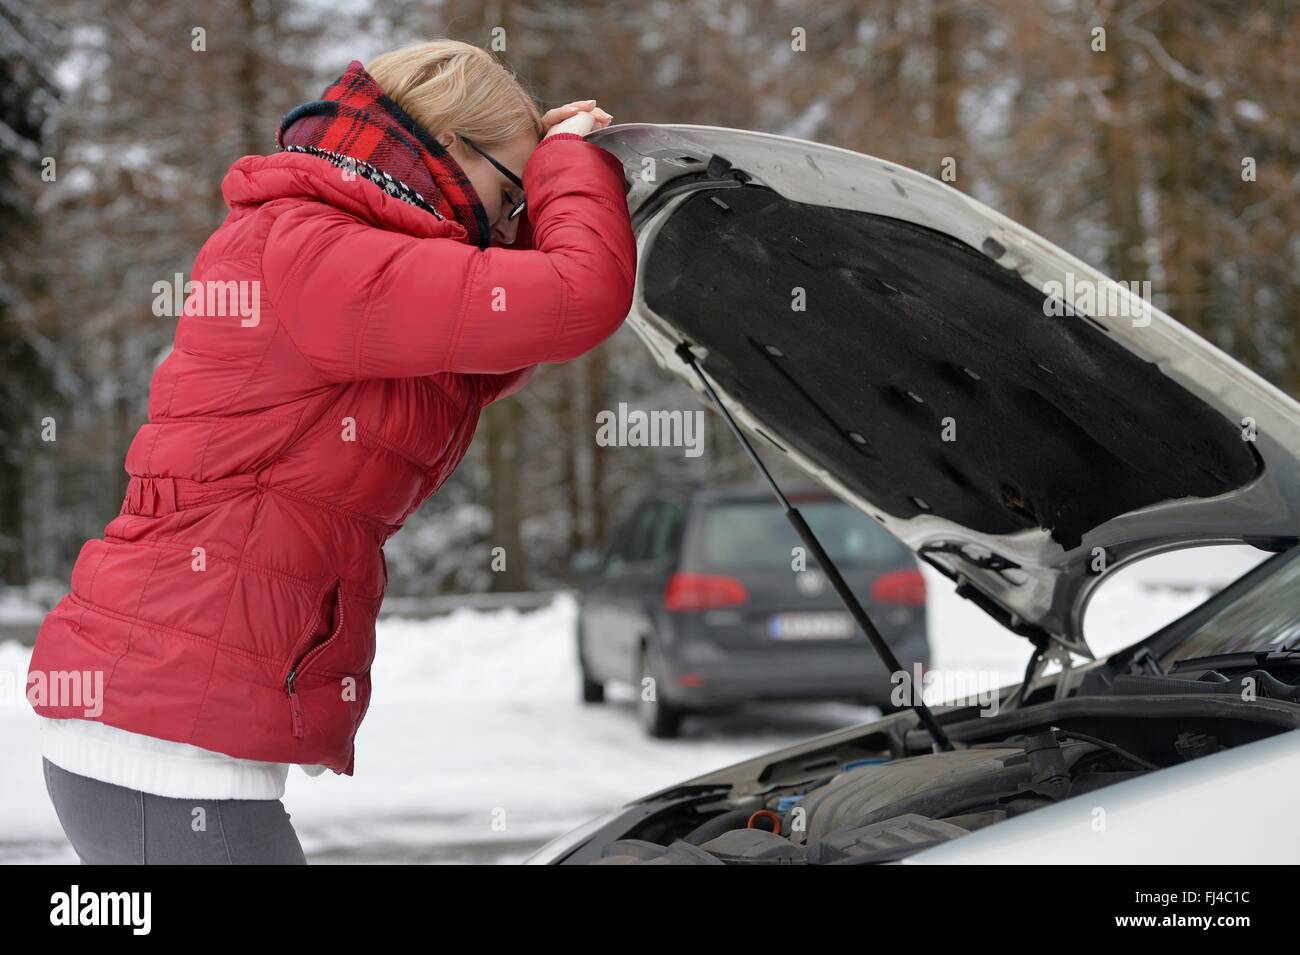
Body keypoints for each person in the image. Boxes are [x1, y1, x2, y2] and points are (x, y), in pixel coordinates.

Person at [28, 38, 636, 864]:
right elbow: (577, 296)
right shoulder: (317, 253)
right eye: (507, 194)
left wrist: (550, 174)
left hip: (170, 730)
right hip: (159, 743)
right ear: (451, 144)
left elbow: (496, 347)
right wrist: (567, 168)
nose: (507, 224)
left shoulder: (333, 245)